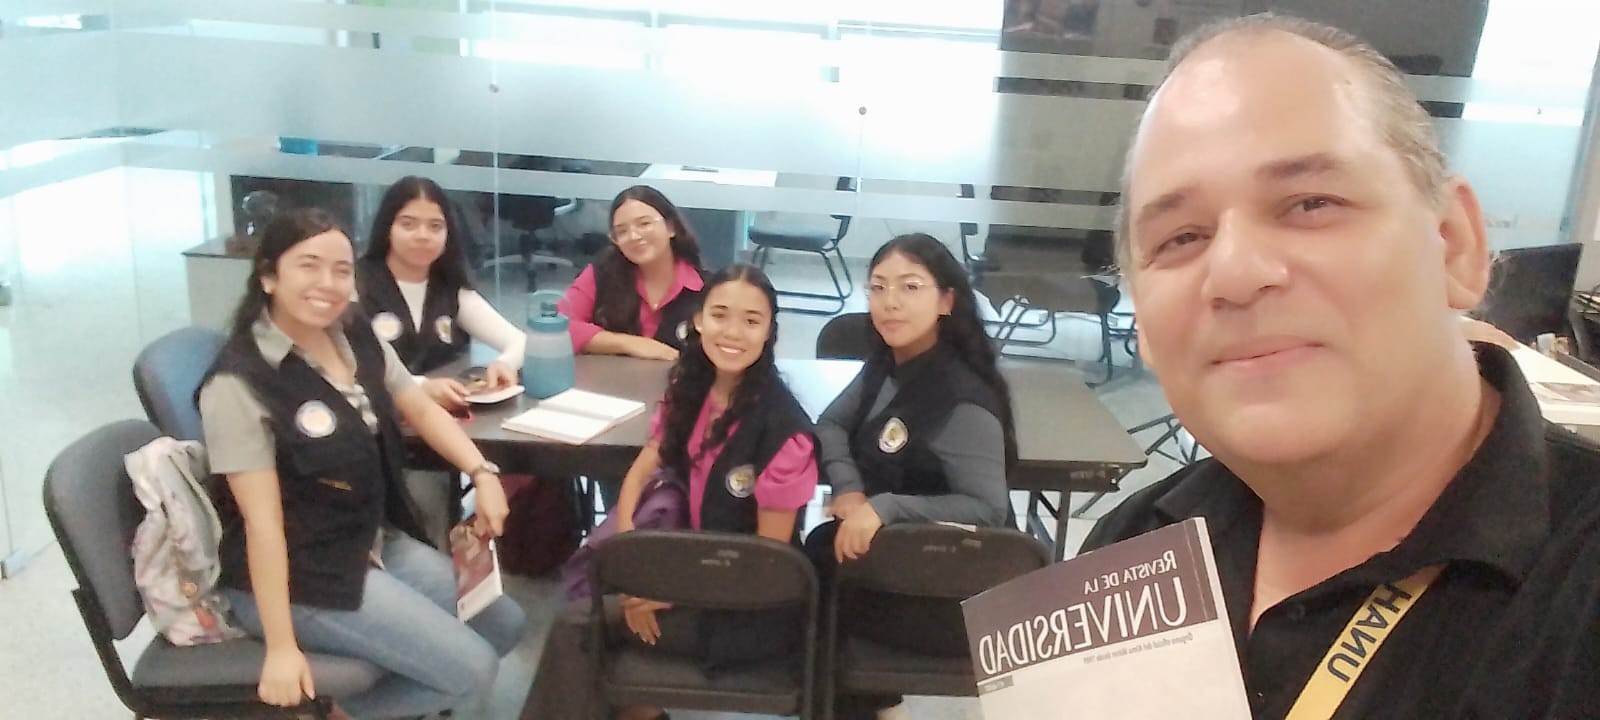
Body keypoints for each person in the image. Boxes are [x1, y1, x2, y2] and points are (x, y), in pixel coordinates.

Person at [1085, 12, 1600, 719]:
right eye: (1180, 238)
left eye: (1310, 203)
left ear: (1454, 245)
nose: (1234, 273)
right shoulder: (1127, 552)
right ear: (1142, 321)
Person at [197, 208, 526, 719]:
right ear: (268, 276)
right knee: (472, 670)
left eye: (342, 269)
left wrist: (482, 472)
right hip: (301, 573)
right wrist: (282, 648)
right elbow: (262, 526)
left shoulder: (354, 336)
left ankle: (352, 703)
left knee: (502, 623)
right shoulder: (238, 383)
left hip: (367, 538)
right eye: (308, 266)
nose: (327, 284)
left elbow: (419, 406)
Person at [521, 264, 819, 720]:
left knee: (578, 627)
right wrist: (633, 565)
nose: (733, 332)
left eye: (751, 320)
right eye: (719, 315)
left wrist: (670, 593)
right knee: (595, 616)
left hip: (746, 605)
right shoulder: (693, 388)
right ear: (698, 320)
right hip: (688, 567)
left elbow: (767, 566)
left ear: (770, 332)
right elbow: (642, 471)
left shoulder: (785, 433)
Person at [804, 233, 1015, 720]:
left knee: (814, 582)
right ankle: (869, 702)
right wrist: (849, 489)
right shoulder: (888, 362)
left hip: (942, 589)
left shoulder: (961, 399)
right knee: (819, 556)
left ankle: (862, 701)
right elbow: (831, 423)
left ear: (946, 301)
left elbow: (989, 509)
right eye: (877, 287)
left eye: (910, 287)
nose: (889, 302)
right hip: (894, 559)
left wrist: (884, 507)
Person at [357, 175, 525, 411]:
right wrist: (420, 387)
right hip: (379, 417)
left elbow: (520, 341)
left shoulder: (450, 287)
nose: (423, 236)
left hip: (448, 416)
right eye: (408, 224)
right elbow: (350, 363)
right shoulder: (356, 284)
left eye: (435, 226)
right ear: (387, 228)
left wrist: (504, 364)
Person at [558, 185, 707, 362]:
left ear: (670, 227)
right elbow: (556, 324)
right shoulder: (601, 274)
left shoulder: (705, 288)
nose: (634, 236)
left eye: (644, 224)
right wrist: (629, 343)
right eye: (622, 231)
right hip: (607, 378)